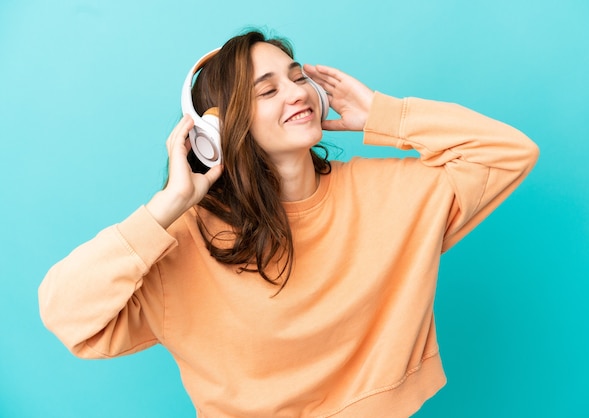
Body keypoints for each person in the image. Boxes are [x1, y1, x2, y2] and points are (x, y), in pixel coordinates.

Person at [38, 29, 539, 417]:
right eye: (267, 90)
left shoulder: (389, 193)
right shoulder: (180, 241)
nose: (297, 93)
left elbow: (510, 153)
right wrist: (167, 206)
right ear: (215, 128)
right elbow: (66, 313)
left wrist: (384, 115)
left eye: (298, 78)